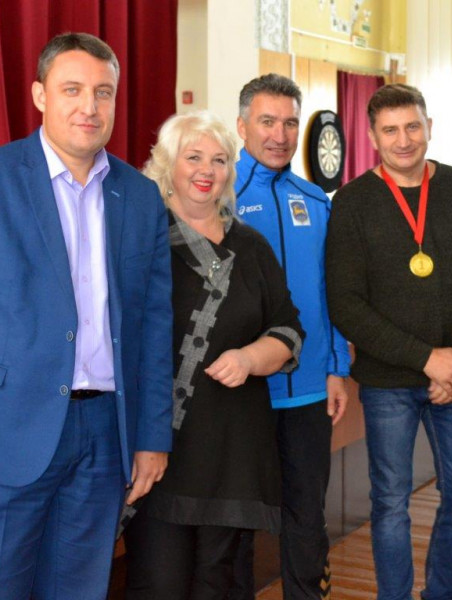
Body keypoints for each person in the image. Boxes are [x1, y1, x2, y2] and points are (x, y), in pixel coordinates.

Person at [0, 33, 174, 599]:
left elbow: (154, 330)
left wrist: (152, 436)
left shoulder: (141, 196)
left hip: (105, 438)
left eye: (103, 92)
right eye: (72, 89)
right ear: (39, 95)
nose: (89, 107)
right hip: (0, 436)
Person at [325, 83, 452, 600]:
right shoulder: (352, 202)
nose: (403, 140)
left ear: (429, 127)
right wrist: (428, 360)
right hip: (387, 383)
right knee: (390, 503)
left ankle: (444, 593)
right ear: (371, 136)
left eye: (412, 127)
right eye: (390, 130)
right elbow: (346, 304)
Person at [123, 110, 304, 599]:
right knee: (159, 584)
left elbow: (289, 328)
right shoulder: (139, 241)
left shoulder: (252, 246)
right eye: (194, 157)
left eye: (220, 160)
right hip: (161, 447)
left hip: (234, 451)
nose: (207, 170)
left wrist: (249, 359)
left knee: (219, 583)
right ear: (168, 164)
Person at [230, 73, 351, 599]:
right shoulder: (218, 196)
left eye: (289, 123)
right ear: (242, 126)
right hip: (240, 392)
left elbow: (330, 291)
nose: (279, 135)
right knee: (235, 522)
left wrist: (337, 369)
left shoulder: (317, 201)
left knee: (306, 516)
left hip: (307, 390)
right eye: (267, 122)